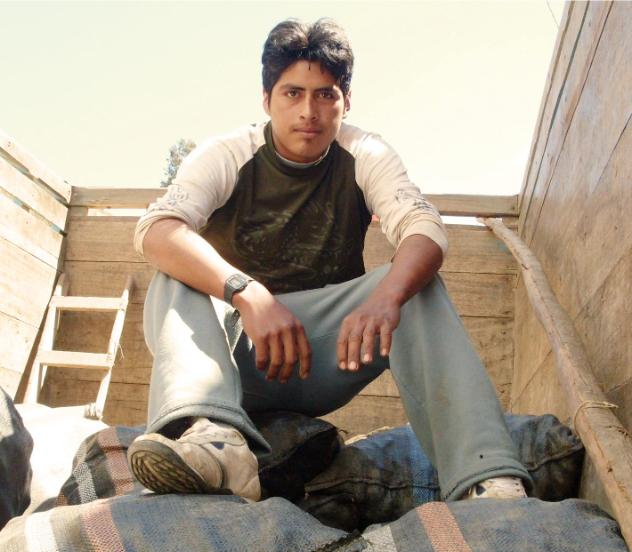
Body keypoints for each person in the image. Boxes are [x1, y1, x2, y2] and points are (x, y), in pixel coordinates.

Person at [127, 18, 531, 503]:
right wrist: (247, 293)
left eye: (325, 95)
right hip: (229, 358)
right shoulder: (227, 153)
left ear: (346, 101)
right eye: (292, 94)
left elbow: (424, 228)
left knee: (414, 285)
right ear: (266, 100)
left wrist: (387, 298)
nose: (308, 111)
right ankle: (212, 440)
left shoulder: (365, 151)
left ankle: (486, 478)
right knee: (172, 273)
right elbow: (157, 229)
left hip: (321, 355)